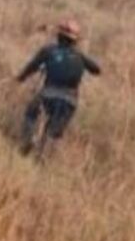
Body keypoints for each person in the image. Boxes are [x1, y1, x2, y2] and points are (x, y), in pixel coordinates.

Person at [16, 19, 101, 160]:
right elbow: (96, 69)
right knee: (53, 133)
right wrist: (79, 57)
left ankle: (28, 140)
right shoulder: (79, 55)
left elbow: (32, 67)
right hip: (70, 100)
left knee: (31, 114)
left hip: (48, 93)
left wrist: (20, 78)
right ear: (75, 41)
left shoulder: (48, 50)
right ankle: (43, 158)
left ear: (58, 36)